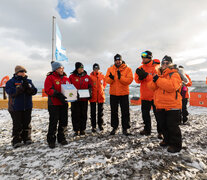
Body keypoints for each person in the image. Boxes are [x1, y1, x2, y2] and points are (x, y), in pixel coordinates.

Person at [148, 55, 182, 153]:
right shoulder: (158, 74)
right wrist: (155, 80)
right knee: (163, 125)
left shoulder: (175, 74)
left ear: (171, 64)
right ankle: (166, 140)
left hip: (172, 105)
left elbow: (171, 86)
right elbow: (151, 87)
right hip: (160, 104)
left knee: (173, 126)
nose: (165, 65)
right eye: (163, 63)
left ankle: (176, 145)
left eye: (167, 63)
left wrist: (157, 80)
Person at [5, 65, 37, 148]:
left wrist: (29, 88)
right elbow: (11, 92)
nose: (23, 73)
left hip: (27, 106)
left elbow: (34, 91)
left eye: (24, 72)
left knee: (27, 123)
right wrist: (21, 88)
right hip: (15, 107)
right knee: (17, 124)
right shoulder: (11, 82)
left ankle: (27, 138)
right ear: (17, 73)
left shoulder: (29, 81)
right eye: (21, 71)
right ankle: (16, 140)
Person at [134, 51, 162, 138]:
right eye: (142, 57)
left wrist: (146, 76)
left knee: (158, 115)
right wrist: (140, 77)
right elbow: (137, 80)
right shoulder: (140, 68)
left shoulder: (156, 67)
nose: (143, 58)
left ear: (150, 57)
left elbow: (158, 79)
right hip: (145, 95)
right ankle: (147, 130)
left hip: (155, 95)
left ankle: (160, 131)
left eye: (145, 57)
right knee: (145, 114)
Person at [105, 54, 133, 135]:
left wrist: (121, 78)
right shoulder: (110, 69)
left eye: (119, 60)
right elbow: (107, 80)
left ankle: (125, 128)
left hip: (124, 93)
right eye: (116, 60)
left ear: (121, 60)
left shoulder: (127, 69)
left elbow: (129, 80)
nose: (118, 61)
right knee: (114, 111)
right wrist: (111, 78)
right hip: (113, 94)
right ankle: (114, 127)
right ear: (114, 61)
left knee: (125, 112)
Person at [44, 61, 69, 148]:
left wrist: (74, 94)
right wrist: (58, 94)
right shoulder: (50, 78)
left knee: (63, 121)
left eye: (62, 68)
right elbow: (48, 89)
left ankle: (61, 138)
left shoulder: (66, 78)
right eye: (60, 68)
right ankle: (51, 140)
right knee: (53, 122)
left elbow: (70, 88)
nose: (62, 69)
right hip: (54, 104)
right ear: (55, 69)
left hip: (64, 103)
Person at [69, 62, 92, 136]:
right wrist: (74, 95)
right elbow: (69, 87)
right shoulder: (71, 77)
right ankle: (76, 130)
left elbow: (90, 86)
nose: (81, 69)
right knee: (75, 115)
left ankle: (82, 129)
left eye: (82, 68)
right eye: (80, 68)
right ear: (77, 68)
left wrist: (90, 94)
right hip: (75, 100)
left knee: (83, 114)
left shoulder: (87, 77)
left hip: (84, 100)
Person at [89, 63, 107, 133]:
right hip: (93, 97)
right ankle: (93, 126)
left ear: (99, 69)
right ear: (93, 69)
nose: (96, 70)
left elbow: (104, 84)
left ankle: (100, 125)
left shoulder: (102, 76)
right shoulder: (90, 77)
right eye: (94, 69)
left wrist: (101, 90)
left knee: (100, 112)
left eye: (97, 68)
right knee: (93, 113)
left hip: (100, 96)